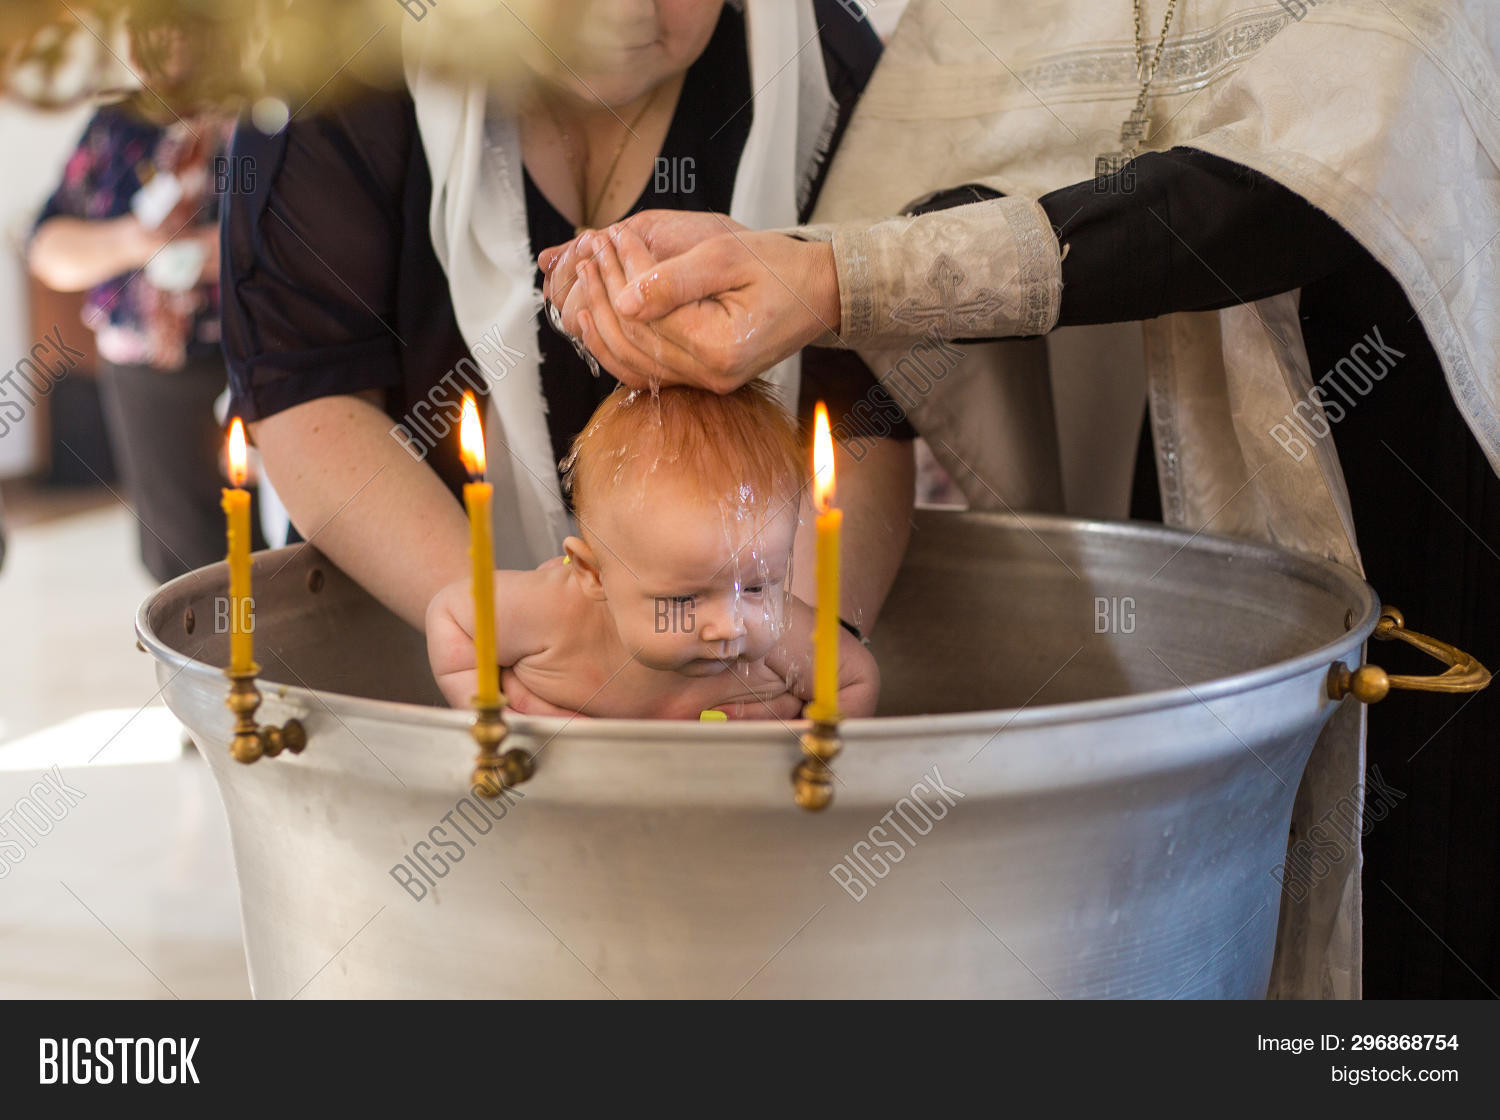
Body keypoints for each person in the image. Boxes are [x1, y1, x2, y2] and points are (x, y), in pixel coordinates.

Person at [541, 1, 1500, 997]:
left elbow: (1275, 199)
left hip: (1419, 458)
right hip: (1178, 477)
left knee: (1426, 922)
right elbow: (902, 256)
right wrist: (773, 273)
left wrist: (826, 274)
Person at [223, 0, 915, 721]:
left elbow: (869, 404)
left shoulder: (817, 61)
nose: (621, 12)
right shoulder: (341, 58)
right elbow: (306, 389)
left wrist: (776, 646)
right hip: (403, 649)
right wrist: (521, 633)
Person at [427, 382, 878, 718]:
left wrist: (804, 749)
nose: (729, 626)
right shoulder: (550, 614)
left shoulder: (783, 640)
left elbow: (854, 678)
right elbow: (450, 617)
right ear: (593, 573)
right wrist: (490, 714)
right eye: (684, 599)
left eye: (758, 585)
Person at [29, 99, 242, 581]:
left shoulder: (263, 118)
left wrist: (230, 251)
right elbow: (47, 245)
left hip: (259, 358)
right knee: (182, 556)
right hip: (147, 374)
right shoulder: (116, 126)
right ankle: (204, 654)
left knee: (279, 549)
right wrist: (134, 241)